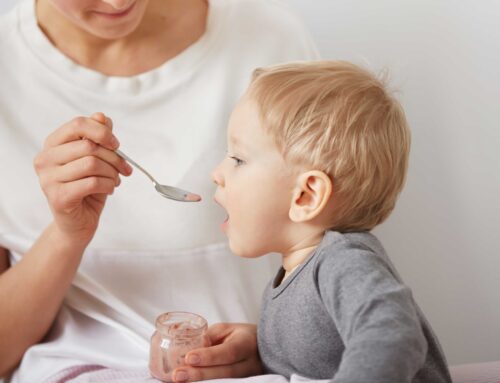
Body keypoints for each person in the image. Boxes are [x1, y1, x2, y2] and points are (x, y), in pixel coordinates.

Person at [0, 0, 319, 381]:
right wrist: (67, 235)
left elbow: (338, 273)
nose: (119, 3)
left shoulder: (270, 41)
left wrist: (274, 345)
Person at [211, 61, 453, 382]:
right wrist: (264, 346)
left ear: (306, 196)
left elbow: (394, 334)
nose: (218, 173)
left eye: (238, 159)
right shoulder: (301, 270)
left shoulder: (344, 262)